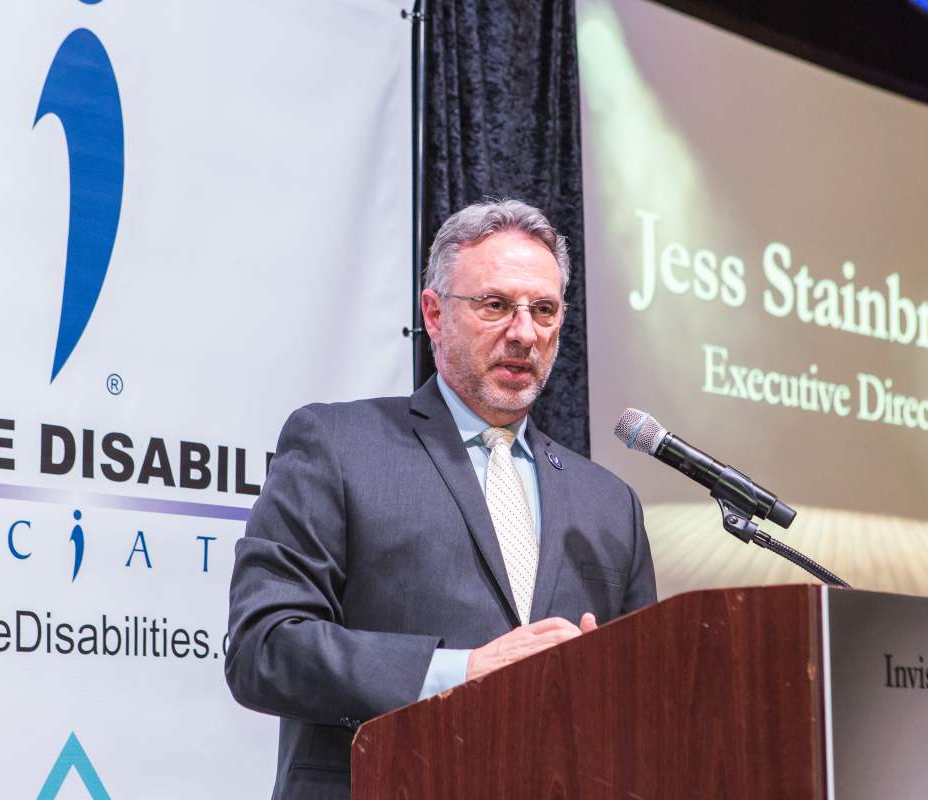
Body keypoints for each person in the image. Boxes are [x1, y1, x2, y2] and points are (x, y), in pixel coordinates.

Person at [225, 199, 656, 799]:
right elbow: (264, 648)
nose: (524, 333)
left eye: (544, 310)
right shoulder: (338, 444)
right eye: (496, 305)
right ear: (434, 313)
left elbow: (644, 706)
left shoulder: (610, 503)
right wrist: (461, 672)